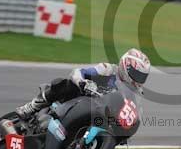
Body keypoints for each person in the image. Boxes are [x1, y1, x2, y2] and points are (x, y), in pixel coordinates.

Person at [16, 48, 150, 118]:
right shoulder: (108, 70)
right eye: (137, 74)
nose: (138, 79)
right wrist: (83, 83)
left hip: (98, 115)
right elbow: (79, 72)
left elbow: (136, 115)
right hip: (79, 99)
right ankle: (32, 106)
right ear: (125, 66)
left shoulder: (136, 93)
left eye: (142, 76)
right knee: (64, 84)